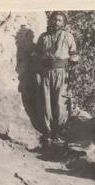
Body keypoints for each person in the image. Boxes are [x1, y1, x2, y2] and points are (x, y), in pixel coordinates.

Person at [34, 11, 79, 146]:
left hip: (61, 72)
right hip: (46, 72)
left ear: (63, 23)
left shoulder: (68, 36)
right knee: (45, 102)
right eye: (54, 20)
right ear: (51, 21)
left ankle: (58, 132)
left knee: (60, 102)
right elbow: (37, 54)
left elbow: (74, 55)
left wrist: (73, 62)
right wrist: (38, 69)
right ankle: (47, 133)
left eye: (59, 20)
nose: (56, 22)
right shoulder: (43, 37)